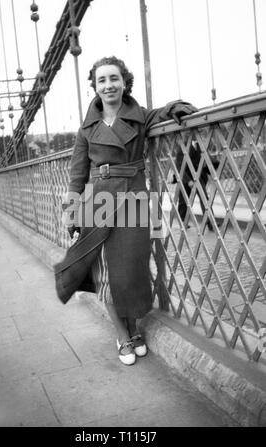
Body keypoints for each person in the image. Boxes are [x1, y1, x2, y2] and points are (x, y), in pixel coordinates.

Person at [54, 56, 197, 366]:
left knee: (132, 269)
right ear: (95, 85)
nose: (109, 85)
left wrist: (176, 106)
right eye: (102, 80)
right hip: (100, 201)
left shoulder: (140, 116)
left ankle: (133, 328)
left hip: (135, 198)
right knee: (106, 272)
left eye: (114, 78)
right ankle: (122, 334)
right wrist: (70, 209)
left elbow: (160, 113)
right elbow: (77, 175)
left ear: (124, 81)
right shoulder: (86, 129)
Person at [174, 140, 220, 231]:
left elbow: (207, 158)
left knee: (204, 199)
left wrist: (216, 163)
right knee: (184, 201)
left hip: (198, 177)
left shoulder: (200, 145)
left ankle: (211, 222)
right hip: (187, 177)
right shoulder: (182, 147)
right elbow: (179, 166)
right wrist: (188, 181)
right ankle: (183, 222)